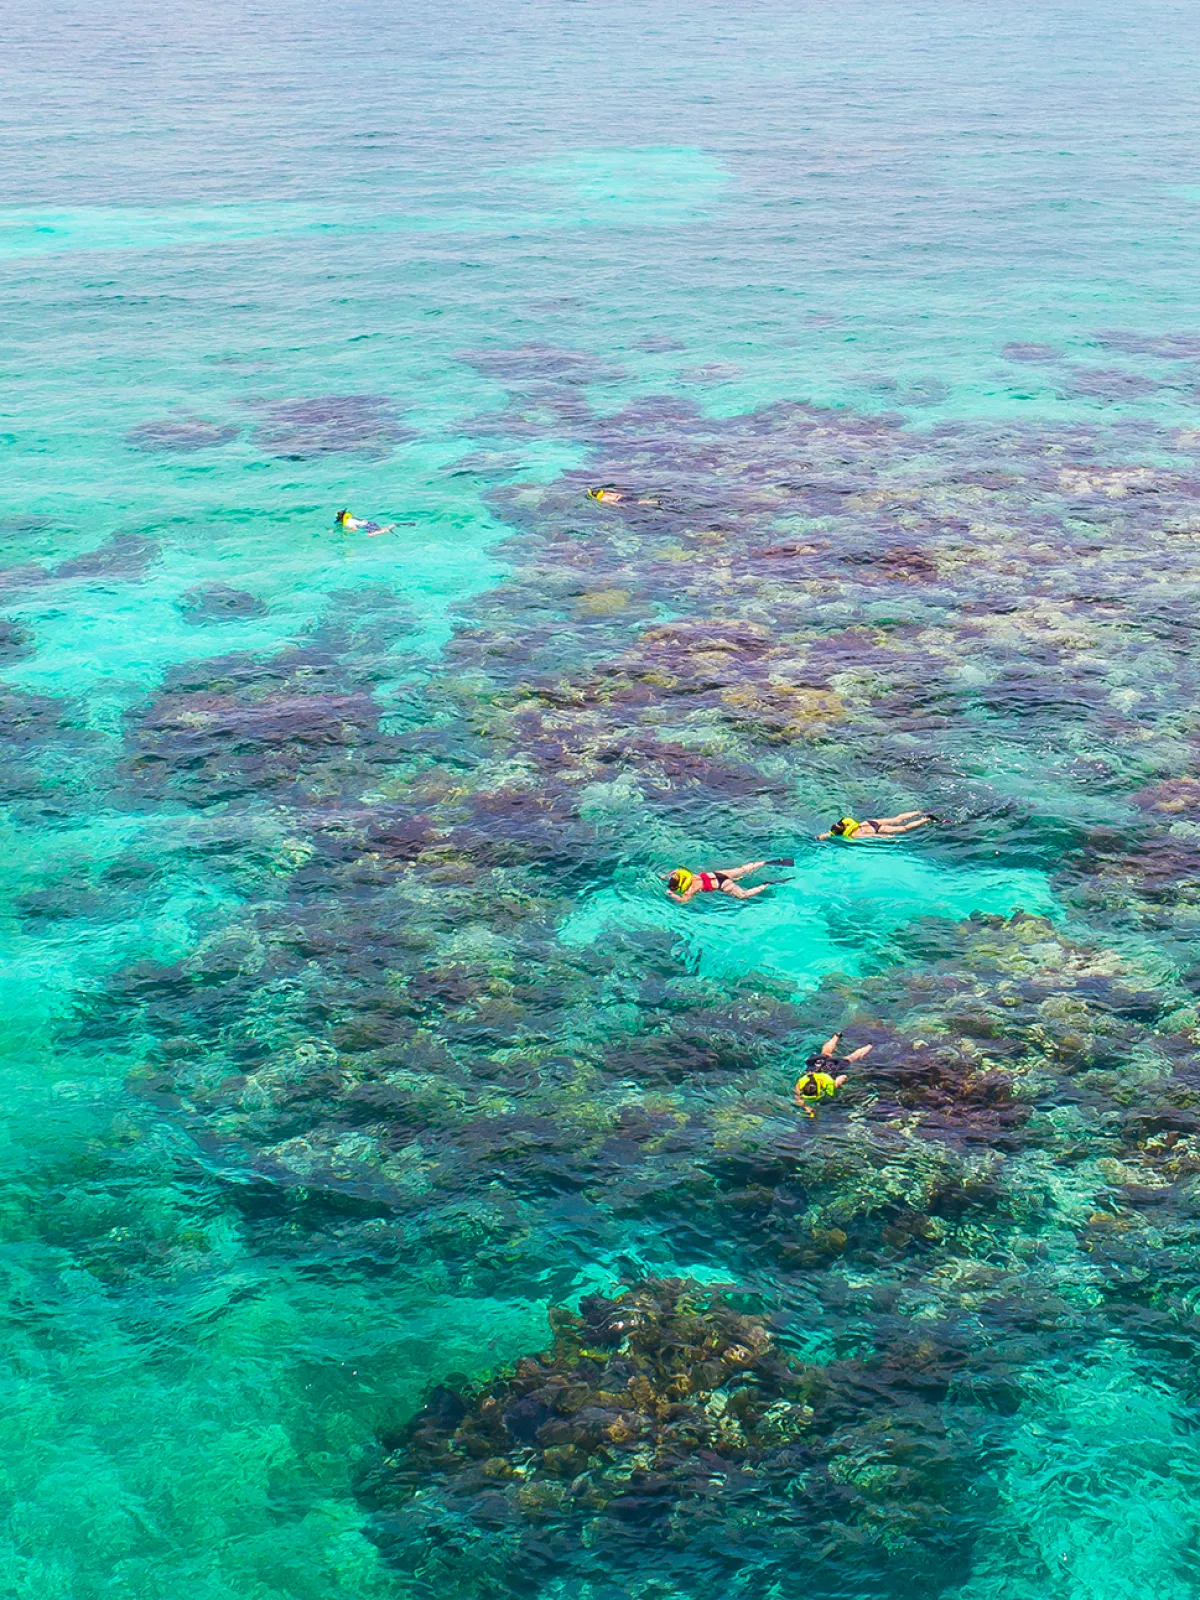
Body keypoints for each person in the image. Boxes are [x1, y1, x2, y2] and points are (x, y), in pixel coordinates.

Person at [793, 1032, 872, 1116]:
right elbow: (797, 1097)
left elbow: (843, 1076)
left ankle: (870, 1046)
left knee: (850, 1058)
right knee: (826, 1053)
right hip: (816, 1064)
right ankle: (836, 1036)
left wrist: (841, 1083)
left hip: (830, 1068)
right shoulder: (802, 1082)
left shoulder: (804, 1083)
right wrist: (806, 1108)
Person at [666, 859, 792, 904]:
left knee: (743, 895)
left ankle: (767, 884)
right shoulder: (692, 876)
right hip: (720, 874)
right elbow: (676, 871)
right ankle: (765, 863)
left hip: (723, 885)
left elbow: (683, 901)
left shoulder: (690, 890)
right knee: (742, 869)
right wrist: (664, 875)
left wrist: (672, 895)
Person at [818, 811, 937, 842]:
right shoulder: (844, 823)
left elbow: (873, 836)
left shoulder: (854, 835)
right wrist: (823, 836)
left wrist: (887, 838)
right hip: (869, 823)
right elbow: (830, 833)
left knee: (904, 828)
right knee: (897, 819)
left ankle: (926, 819)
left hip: (874, 829)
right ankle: (919, 812)